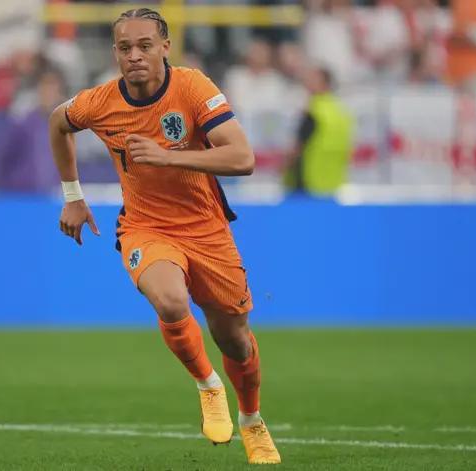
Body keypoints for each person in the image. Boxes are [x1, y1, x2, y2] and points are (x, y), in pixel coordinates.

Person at [48, 8, 281, 465]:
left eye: (144, 46)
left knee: (235, 339)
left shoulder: (192, 87)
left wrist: (169, 157)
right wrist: (73, 196)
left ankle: (252, 418)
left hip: (206, 228)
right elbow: (59, 123)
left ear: (165, 48)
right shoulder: (99, 102)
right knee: (171, 302)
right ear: (115, 53)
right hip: (146, 227)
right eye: (124, 48)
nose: (134, 56)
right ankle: (208, 385)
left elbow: (242, 158)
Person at [285, 67, 353, 195]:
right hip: (334, 182)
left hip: (308, 181)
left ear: (324, 83)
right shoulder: (342, 112)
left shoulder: (313, 111)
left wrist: (284, 168)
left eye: (312, 79)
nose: (307, 83)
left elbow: (297, 148)